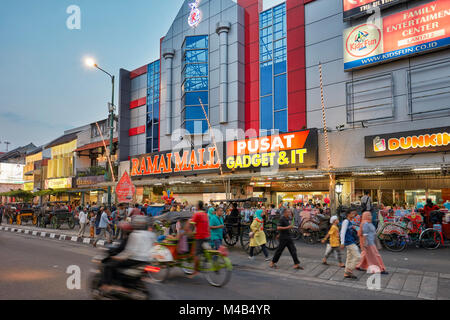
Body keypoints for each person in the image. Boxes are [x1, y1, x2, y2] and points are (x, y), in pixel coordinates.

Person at [100, 216, 156, 293]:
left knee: (109, 266)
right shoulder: (151, 234)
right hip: (147, 261)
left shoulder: (135, 234)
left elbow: (129, 251)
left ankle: (107, 286)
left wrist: (118, 258)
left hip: (135, 260)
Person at [188, 201, 210, 277]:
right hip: (207, 235)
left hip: (200, 236)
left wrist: (190, 232)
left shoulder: (197, 214)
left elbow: (192, 225)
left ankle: (195, 271)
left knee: (196, 254)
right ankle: (204, 261)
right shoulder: (205, 214)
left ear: (197, 207)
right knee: (203, 251)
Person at [340, 208, 361, 279]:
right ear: (348, 214)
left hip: (351, 241)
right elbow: (342, 232)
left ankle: (346, 273)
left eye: (354, 213)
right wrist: (342, 242)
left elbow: (354, 229)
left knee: (349, 258)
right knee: (358, 257)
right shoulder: (346, 221)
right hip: (348, 242)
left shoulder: (350, 222)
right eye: (352, 213)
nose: (354, 214)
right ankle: (349, 270)